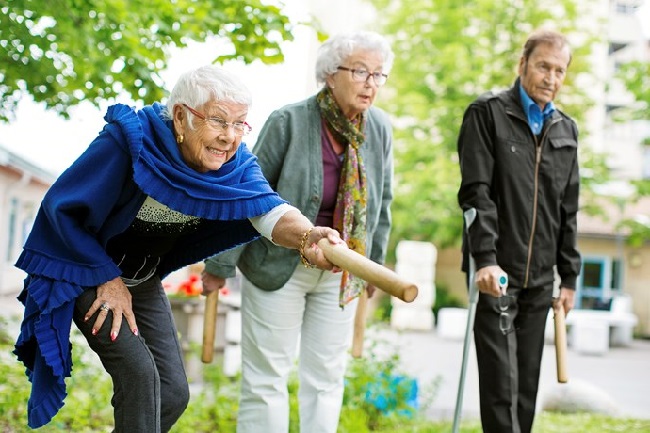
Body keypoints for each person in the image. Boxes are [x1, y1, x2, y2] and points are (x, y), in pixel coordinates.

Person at [12, 65, 344, 433]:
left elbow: (269, 210)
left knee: (172, 393)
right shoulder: (129, 143)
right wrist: (107, 277)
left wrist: (307, 237)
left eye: (239, 124)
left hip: (142, 278)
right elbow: (61, 209)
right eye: (219, 121)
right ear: (182, 117)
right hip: (89, 270)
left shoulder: (234, 165)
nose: (230, 137)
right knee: (139, 377)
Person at [202, 30, 395, 433]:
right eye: (361, 71)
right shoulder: (288, 121)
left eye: (379, 75)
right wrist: (220, 263)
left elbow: (383, 201)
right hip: (277, 263)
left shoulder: (379, 129)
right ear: (330, 74)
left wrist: (372, 262)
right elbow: (247, 192)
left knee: (326, 379)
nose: (370, 83)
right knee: (266, 378)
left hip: (342, 269)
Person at [457, 29, 581, 433]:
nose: (551, 77)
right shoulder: (487, 112)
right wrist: (486, 258)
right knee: (500, 386)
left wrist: (570, 277)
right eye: (544, 66)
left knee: (526, 386)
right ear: (523, 64)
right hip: (498, 272)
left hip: (542, 278)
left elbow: (568, 208)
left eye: (560, 70)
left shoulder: (566, 129)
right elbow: (476, 193)